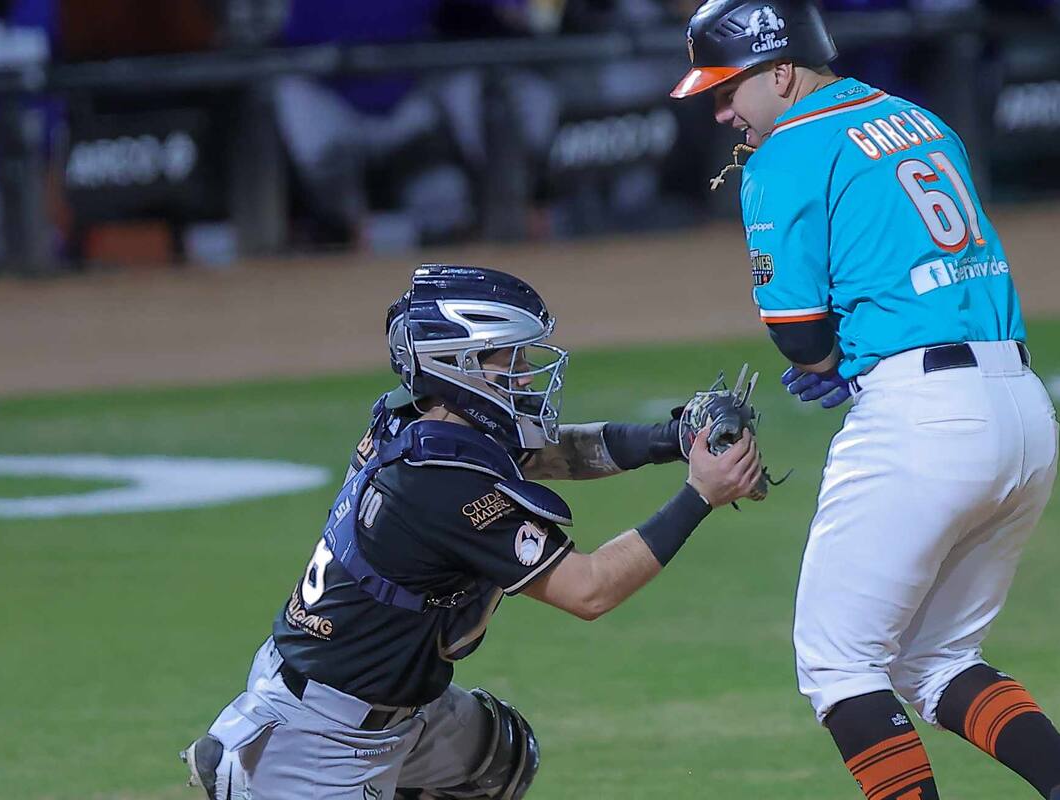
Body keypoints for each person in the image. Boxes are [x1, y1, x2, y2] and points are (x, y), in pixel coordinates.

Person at [670, 3, 1060, 800]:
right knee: (936, 658)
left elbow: (798, 334)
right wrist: (851, 357)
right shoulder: (916, 118)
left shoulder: (783, 154)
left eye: (728, 89)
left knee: (837, 663)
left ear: (781, 71)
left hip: (922, 421)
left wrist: (832, 363)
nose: (720, 111)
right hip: (1023, 412)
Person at [179, 264, 765, 799]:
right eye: (506, 360)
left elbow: (557, 453)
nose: (527, 374)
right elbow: (591, 589)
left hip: (378, 704)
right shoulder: (440, 488)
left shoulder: (421, 427)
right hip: (318, 745)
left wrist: (673, 438)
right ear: (456, 365)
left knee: (498, 758)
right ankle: (253, 778)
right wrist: (701, 494)